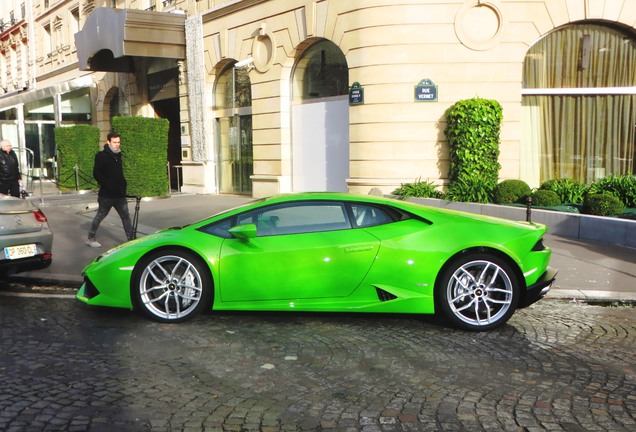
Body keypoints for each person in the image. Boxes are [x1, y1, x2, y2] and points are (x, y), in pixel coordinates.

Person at [86, 132, 133, 248]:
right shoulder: (101, 156)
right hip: (106, 195)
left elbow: (119, 174)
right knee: (100, 216)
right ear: (108, 142)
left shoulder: (119, 156)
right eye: (114, 142)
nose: (117, 145)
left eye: (118, 142)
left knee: (126, 216)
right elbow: (96, 173)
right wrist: (108, 185)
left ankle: (131, 240)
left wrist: (123, 185)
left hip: (120, 195)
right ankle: (90, 238)